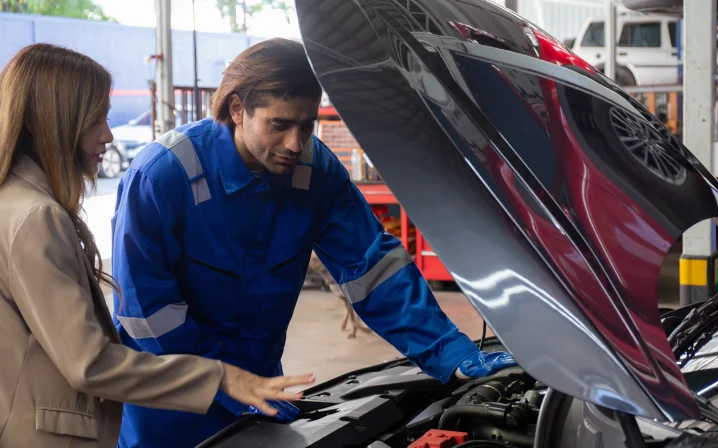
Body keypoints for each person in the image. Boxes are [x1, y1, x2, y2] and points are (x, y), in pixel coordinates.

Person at [111, 37, 517, 447]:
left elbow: (372, 270)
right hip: (170, 408)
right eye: (280, 125)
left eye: (306, 126)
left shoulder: (314, 169)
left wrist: (451, 353)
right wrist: (225, 383)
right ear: (237, 109)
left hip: (261, 395)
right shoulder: (163, 176)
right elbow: (147, 313)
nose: (295, 144)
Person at [0, 44, 315, 448]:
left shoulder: (13, 203)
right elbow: (89, 362)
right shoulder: (36, 217)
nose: (108, 136)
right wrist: (221, 377)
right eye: (95, 120)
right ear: (49, 122)